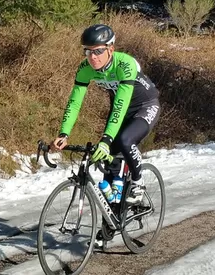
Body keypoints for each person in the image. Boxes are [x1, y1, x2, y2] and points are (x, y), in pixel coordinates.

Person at [52, 23, 160, 205]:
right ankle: (112, 213)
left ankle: (138, 181)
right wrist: (64, 133)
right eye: (88, 51)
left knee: (125, 140)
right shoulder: (85, 68)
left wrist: (106, 139)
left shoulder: (124, 64)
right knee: (108, 162)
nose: (92, 57)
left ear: (111, 49)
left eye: (98, 51)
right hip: (120, 110)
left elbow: (120, 104)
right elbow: (75, 102)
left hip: (144, 106)